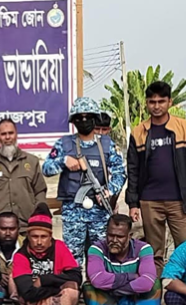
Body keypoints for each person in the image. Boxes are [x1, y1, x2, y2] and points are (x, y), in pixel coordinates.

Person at [126, 81, 186, 271]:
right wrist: (133, 203)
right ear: (146, 103)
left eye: (161, 101)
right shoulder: (138, 133)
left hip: (180, 201)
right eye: (152, 102)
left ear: (170, 102)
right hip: (149, 201)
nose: (156, 106)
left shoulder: (185, 128)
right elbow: (133, 170)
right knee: (154, 252)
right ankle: (155, 287)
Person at [43, 97, 125, 267]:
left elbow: (120, 172)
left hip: (99, 211)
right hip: (73, 211)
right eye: (79, 118)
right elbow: (46, 168)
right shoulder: (64, 144)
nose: (84, 121)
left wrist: (109, 191)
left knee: (101, 256)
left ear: (95, 119)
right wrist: (63, 161)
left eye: (88, 117)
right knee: (72, 259)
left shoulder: (107, 145)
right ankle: (74, 283)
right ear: (73, 121)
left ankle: (97, 283)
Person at [10, 204, 82, 305]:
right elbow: (28, 293)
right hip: (33, 298)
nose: (39, 242)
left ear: (50, 236)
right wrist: (57, 286)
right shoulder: (21, 255)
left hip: (49, 293)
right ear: (28, 236)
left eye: (43, 237)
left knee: (71, 287)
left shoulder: (59, 247)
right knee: (12, 281)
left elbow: (76, 277)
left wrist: (44, 280)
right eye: (34, 236)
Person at [83, 215, 162, 305]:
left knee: (155, 284)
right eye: (110, 235)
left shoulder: (143, 248)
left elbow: (147, 281)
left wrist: (116, 288)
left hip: (130, 294)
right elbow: (97, 279)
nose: (114, 240)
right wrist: (131, 276)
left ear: (130, 236)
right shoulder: (96, 249)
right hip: (109, 295)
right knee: (89, 287)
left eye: (120, 237)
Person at [0, 119, 48, 234]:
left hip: (26, 227)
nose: (8, 137)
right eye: (3, 134)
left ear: (16, 134)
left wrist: (38, 218)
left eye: (11, 133)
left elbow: (40, 192)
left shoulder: (31, 161)